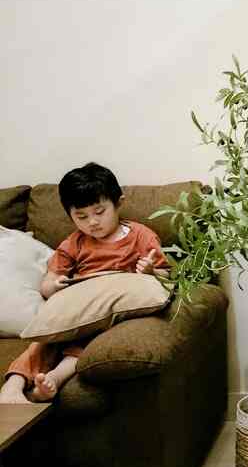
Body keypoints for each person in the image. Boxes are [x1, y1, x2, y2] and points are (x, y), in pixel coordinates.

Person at [0, 163, 168, 404]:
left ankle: (54, 380)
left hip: (110, 306)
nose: (92, 222)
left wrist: (150, 271)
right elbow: (46, 285)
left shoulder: (141, 236)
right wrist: (55, 284)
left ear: (119, 203)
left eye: (100, 212)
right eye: (81, 216)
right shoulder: (74, 243)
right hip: (77, 303)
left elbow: (166, 278)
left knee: (88, 342)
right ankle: (13, 387)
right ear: (69, 215)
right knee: (45, 340)